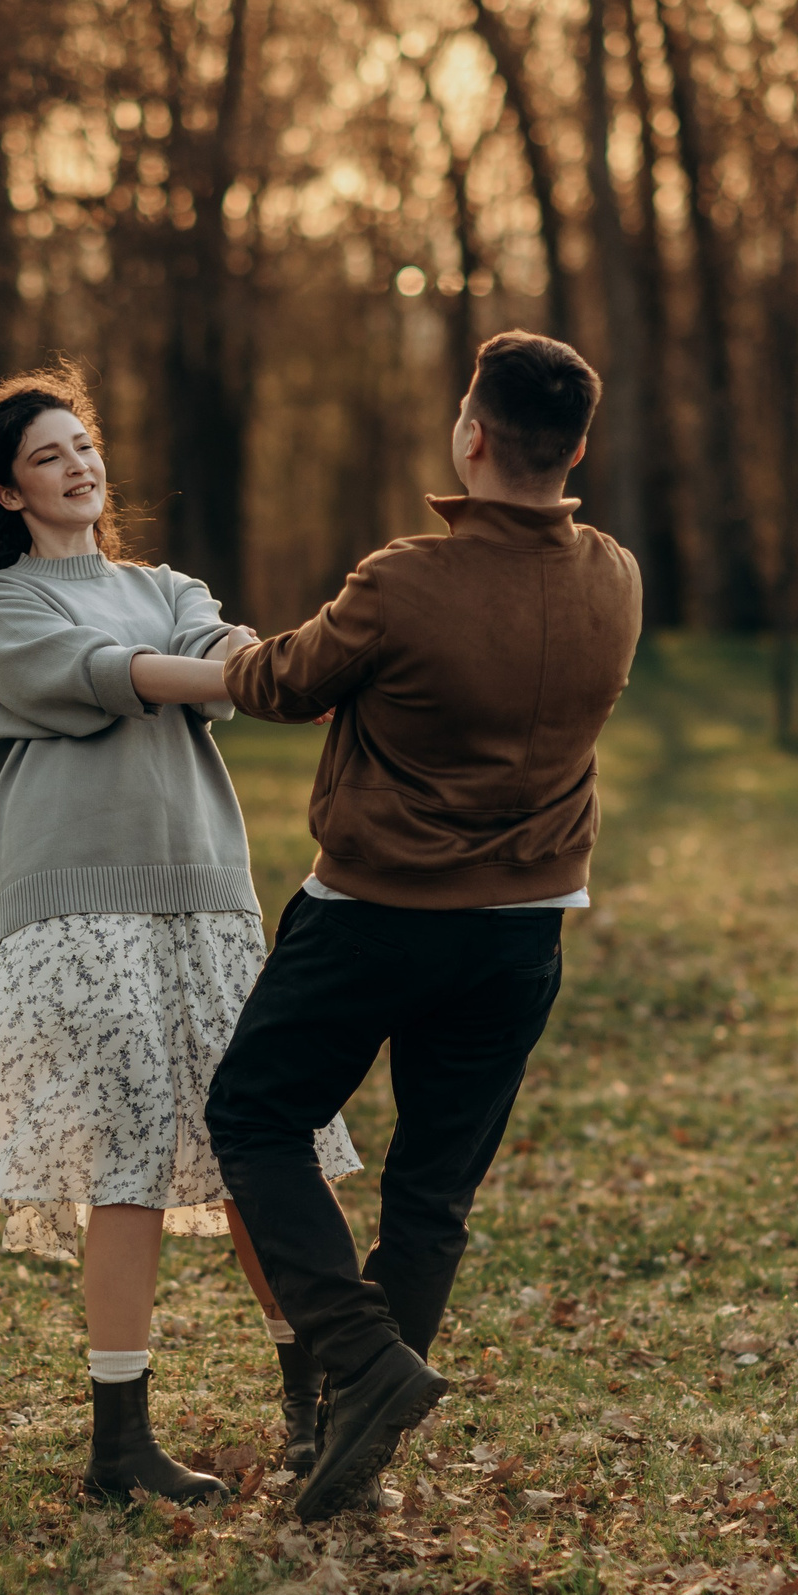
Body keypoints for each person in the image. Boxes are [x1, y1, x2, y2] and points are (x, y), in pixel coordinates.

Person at [205, 331, 643, 1520]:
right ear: (576, 451)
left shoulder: (404, 578)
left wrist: (215, 654)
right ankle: (355, 1420)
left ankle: (361, 1353)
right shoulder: (614, 575)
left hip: (376, 915)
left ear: (472, 434)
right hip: (522, 932)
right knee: (433, 1188)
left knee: (253, 1114)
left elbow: (283, 683)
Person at [0, 367, 364, 1505]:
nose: (79, 467)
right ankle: (121, 1444)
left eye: (85, 445)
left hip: (207, 898)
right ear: (8, 492)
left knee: (266, 1146)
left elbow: (229, 657)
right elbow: (109, 677)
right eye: (48, 456)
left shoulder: (167, 586)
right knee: (124, 1164)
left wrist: (292, 666)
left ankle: (314, 1405)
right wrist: (257, 675)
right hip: (75, 909)